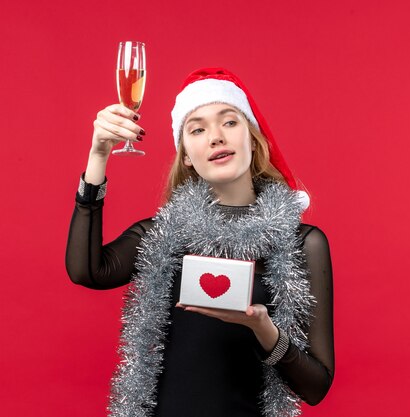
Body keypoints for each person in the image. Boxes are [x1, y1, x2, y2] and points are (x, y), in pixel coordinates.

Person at [66, 68, 334, 417]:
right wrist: (98, 154)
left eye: (229, 122)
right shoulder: (163, 234)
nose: (216, 137)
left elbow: (316, 387)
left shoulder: (303, 243)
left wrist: (264, 330)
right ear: (187, 156)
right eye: (198, 129)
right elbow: (88, 271)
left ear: (252, 139)